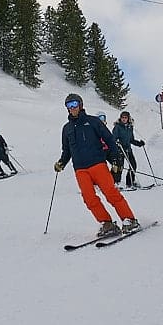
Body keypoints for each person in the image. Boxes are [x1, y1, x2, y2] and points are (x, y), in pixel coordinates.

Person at [54, 93, 140, 237]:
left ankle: (129, 220)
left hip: (97, 164)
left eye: (74, 104)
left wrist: (116, 161)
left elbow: (110, 140)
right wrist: (61, 162)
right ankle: (107, 223)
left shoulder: (93, 122)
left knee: (110, 193)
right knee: (89, 198)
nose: (72, 108)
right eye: (69, 106)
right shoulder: (66, 129)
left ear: (80, 105)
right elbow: (67, 150)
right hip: (80, 169)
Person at [112, 111, 147, 189]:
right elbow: (113, 138)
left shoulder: (130, 127)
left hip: (128, 149)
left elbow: (131, 139)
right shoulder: (117, 127)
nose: (124, 119)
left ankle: (130, 182)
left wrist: (139, 143)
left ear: (128, 118)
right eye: (122, 117)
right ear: (120, 118)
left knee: (133, 165)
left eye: (125, 117)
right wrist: (117, 142)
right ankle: (116, 183)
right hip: (120, 150)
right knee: (119, 167)